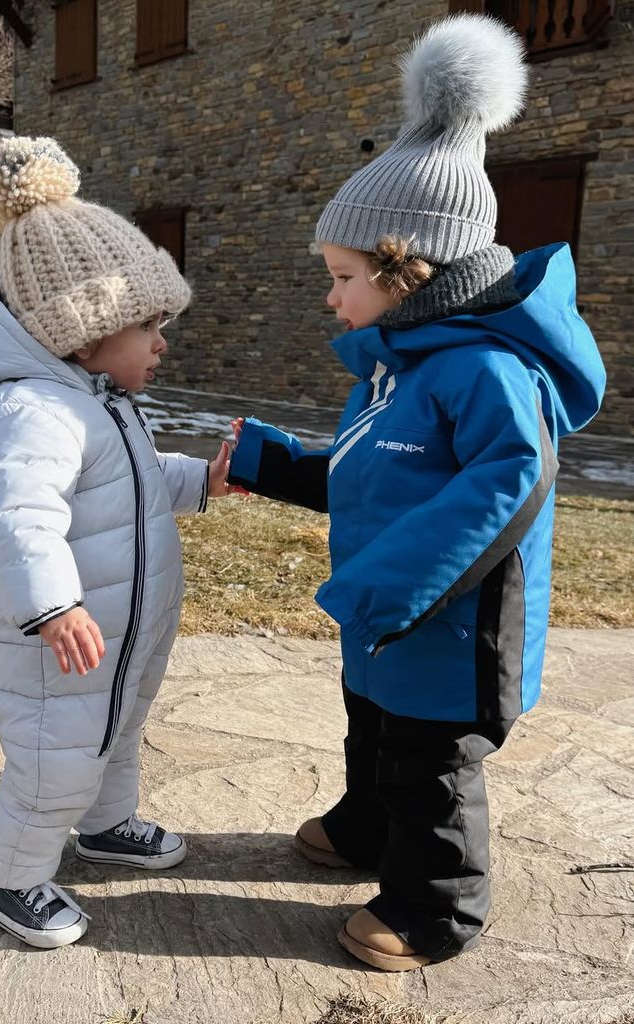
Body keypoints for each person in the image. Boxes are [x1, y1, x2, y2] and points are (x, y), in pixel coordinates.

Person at [227, 14, 606, 971]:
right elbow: (374, 476)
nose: (331, 297)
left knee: (430, 768)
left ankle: (433, 909)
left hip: (452, 629)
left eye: (344, 276)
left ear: (409, 271)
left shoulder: (484, 370)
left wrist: (390, 585)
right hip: (388, 623)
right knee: (372, 733)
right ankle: (363, 830)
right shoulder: (394, 371)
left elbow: (507, 481)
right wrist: (275, 466)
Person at [0, 136, 231, 949]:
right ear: (84, 331)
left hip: (116, 641)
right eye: (148, 326)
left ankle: (107, 825)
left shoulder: (96, 399)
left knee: (115, 735)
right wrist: (52, 606)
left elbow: (129, 481)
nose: (162, 342)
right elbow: (17, 516)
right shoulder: (27, 411)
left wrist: (201, 480)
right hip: (62, 645)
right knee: (53, 763)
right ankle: (13, 876)